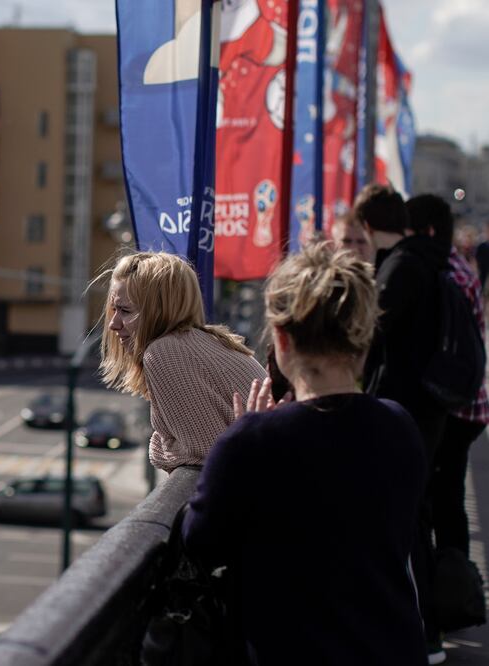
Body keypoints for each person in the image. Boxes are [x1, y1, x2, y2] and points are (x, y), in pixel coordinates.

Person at [182, 242, 427, 665]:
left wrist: (245, 433)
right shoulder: (400, 426)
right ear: (363, 339)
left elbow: (200, 542)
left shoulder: (251, 443)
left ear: (281, 337)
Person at [355, 183, 449, 662]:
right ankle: (425, 630)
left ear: (368, 226)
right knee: (415, 517)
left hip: (403, 409)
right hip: (426, 408)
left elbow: (367, 337)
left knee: (404, 521)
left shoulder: (400, 267)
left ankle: (421, 633)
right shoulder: (426, 260)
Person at [99, 251, 267, 471]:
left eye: (125, 310)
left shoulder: (165, 352)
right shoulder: (198, 342)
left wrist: (160, 449)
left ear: (159, 310)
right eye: (114, 310)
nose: (113, 324)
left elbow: (205, 455)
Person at [407, 194, 489, 559]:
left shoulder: (444, 273)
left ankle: (452, 577)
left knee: (442, 496)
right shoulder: (458, 268)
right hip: (468, 400)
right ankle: (456, 575)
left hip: (453, 403)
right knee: (449, 495)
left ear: (425, 231)